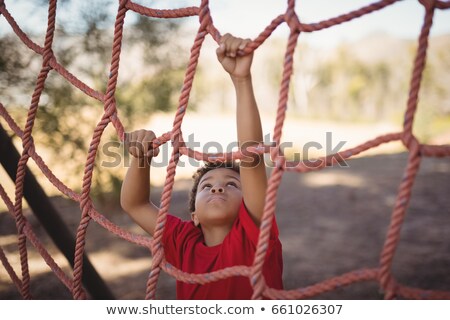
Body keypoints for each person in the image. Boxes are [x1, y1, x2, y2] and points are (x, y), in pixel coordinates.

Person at [120, 34, 283, 299]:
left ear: (248, 202)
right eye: (207, 186)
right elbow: (135, 204)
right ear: (193, 215)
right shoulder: (184, 241)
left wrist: (242, 81)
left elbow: (251, 156)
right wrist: (141, 160)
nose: (217, 189)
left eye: (231, 184)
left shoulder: (254, 233)